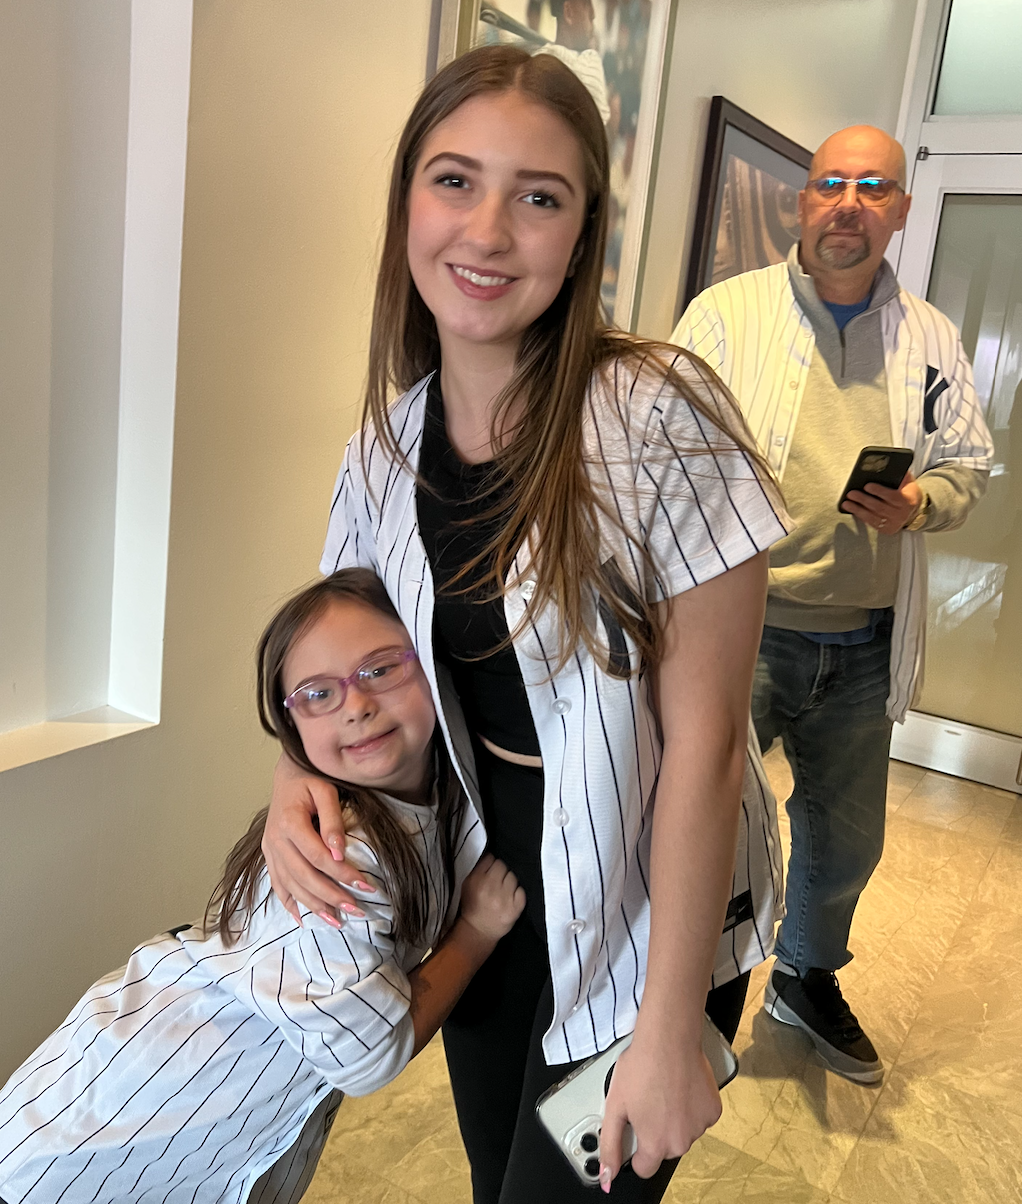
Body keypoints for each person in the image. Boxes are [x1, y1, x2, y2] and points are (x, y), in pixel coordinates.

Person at [261, 46, 791, 1204]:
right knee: (494, 1173)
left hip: (650, 905)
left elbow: (702, 754)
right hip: (489, 888)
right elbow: (339, 659)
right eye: (454, 181)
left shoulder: (660, 417)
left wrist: (665, 1027)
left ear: (582, 230)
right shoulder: (383, 449)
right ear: (407, 197)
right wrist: (291, 778)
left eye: (536, 196)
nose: (488, 230)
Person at [0, 570, 524, 1204]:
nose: (355, 705)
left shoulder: (424, 785)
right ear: (290, 726)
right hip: (95, 1144)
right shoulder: (346, 860)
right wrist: (475, 934)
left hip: (184, 1116)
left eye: (381, 669)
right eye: (318, 693)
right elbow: (369, 1059)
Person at [672, 125, 994, 1086]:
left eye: (874, 187)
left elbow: (967, 465)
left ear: (900, 208)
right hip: (742, 634)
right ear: (803, 201)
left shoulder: (931, 335)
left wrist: (921, 502)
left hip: (862, 640)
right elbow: (661, 450)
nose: (850, 202)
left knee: (845, 839)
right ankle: (676, 998)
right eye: (831, 184)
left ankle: (805, 976)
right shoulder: (725, 316)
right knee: (698, 823)